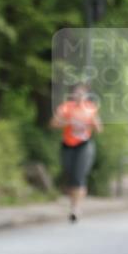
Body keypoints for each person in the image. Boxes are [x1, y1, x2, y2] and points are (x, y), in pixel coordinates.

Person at [50, 82, 102, 222]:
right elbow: (53, 123)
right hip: (68, 145)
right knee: (70, 175)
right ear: (72, 94)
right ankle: (73, 204)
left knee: (79, 176)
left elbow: (99, 129)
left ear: (86, 95)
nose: (79, 95)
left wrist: (92, 122)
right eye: (76, 92)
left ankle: (76, 208)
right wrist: (68, 121)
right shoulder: (65, 107)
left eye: (82, 93)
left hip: (84, 145)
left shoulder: (90, 108)